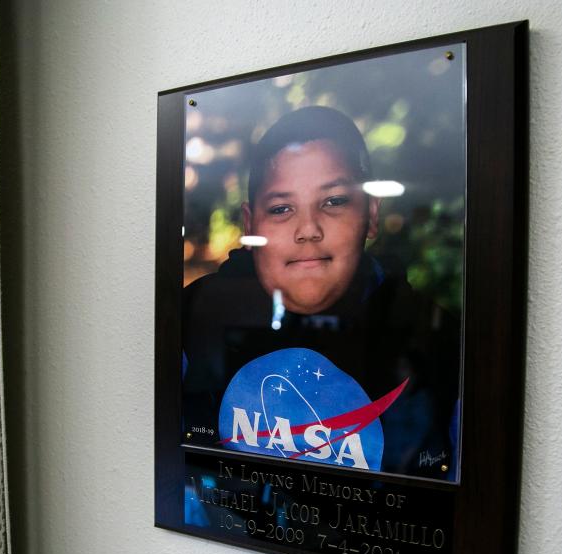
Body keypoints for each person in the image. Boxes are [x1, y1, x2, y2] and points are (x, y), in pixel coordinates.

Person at [182, 106, 459, 479]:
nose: (308, 229)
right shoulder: (195, 319)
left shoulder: (439, 344)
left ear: (371, 215)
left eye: (333, 201)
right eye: (281, 208)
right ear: (250, 225)